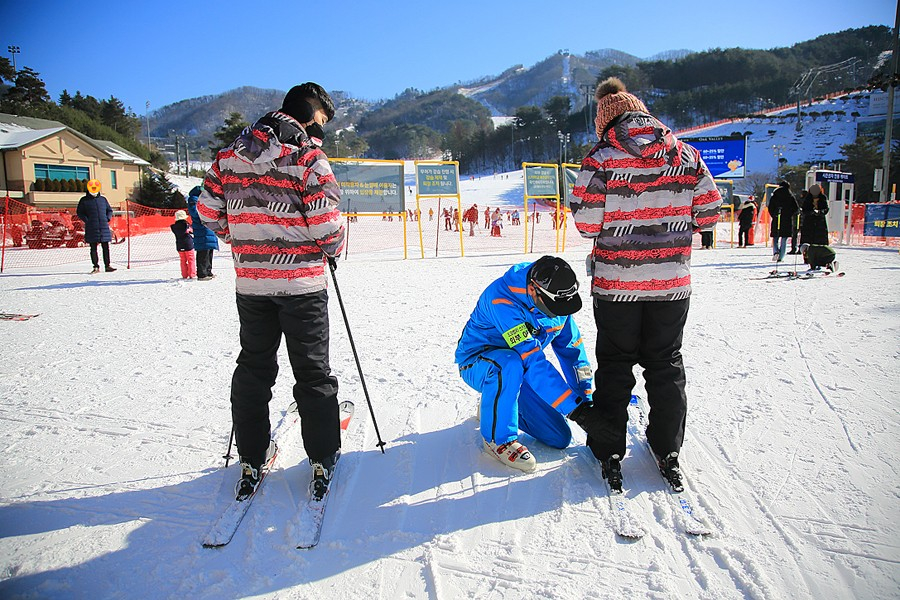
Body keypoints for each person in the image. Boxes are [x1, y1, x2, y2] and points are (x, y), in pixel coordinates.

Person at [569, 78, 722, 493]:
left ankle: (608, 449)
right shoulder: (686, 154)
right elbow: (709, 214)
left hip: (617, 285)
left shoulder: (600, 159)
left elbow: (585, 225)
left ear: (605, 123)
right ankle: (666, 448)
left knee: (616, 366)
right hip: (671, 283)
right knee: (666, 363)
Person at [197, 82, 346, 502]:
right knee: (312, 373)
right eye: (322, 121)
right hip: (301, 286)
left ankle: (252, 455)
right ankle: (322, 457)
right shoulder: (308, 157)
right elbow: (327, 226)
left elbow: (207, 210)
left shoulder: (230, 155)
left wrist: (243, 239)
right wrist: (331, 248)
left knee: (254, 369)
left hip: (252, 285)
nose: (322, 130)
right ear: (310, 114)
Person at [455, 256, 593, 472]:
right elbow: (533, 361)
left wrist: (587, 402)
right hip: (478, 363)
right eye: (553, 305)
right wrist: (577, 412)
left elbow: (574, 354)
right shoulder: (501, 300)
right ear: (532, 289)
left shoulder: (557, 303)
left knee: (559, 437)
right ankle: (497, 440)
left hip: (519, 370)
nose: (559, 311)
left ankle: (494, 406)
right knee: (509, 364)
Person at [76, 178, 116, 274]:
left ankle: (107, 265)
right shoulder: (84, 200)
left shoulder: (103, 199)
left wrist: (107, 218)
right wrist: (87, 220)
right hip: (91, 227)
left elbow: (109, 210)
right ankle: (96, 266)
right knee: (93, 248)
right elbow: (80, 212)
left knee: (105, 247)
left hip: (103, 227)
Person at [187, 186, 219, 280]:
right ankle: (202, 273)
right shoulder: (194, 199)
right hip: (202, 228)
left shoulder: (204, 200)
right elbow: (195, 213)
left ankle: (208, 271)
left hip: (209, 228)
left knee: (209, 251)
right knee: (203, 252)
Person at [767, 181, 798, 261]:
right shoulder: (790, 196)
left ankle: (775, 251)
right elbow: (796, 208)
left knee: (775, 237)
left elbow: (770, 207)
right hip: (787, 220)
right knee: (784, 238)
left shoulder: (775, 195)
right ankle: (781, 256)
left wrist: (774, 215)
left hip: (777, 218)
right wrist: (789, 214)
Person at [170, 210, 196, 279]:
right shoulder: (186, 225)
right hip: (188, 244)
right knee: (191, 259)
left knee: (183, 260)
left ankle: (184, 275)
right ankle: (192, 274)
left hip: (179, 245)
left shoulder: (174, 227)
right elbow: (192, 231)